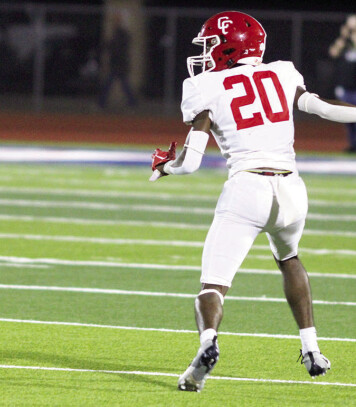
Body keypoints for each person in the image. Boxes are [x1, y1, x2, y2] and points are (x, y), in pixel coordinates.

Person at [149, 11, 356, 392]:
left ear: (230, 46)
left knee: (213, 285)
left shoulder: (205, 86)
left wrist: (167, 167)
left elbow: (191, 163)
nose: (206, 52)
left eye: (211, 44)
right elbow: (324, 109)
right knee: (289, 259)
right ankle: (312, 350)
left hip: (247, 188)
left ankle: (207, 345)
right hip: (292, 189)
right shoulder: (283, 72)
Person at [98, 10, 137, 109]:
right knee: (113, 84)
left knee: (118, 85)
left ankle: (132, 103)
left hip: (120, 64)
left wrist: (109, 45)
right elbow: (110, 46)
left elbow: (117, 48)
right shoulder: (116, 33)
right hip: (116, 64)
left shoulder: (122, 34)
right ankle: (132, 103)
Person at [329, 14, 356, 152]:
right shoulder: (345, 44)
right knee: (348, 119)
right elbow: (333, 52)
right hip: (346, 89)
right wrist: (344, 36)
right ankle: (353, 145)